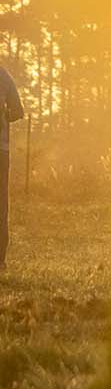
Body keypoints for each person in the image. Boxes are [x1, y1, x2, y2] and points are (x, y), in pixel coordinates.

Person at [0, 62, 21, 269]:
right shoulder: (4, 76)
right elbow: (18, 111)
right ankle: (0, 259)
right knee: (1, 204)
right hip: (1, 150)